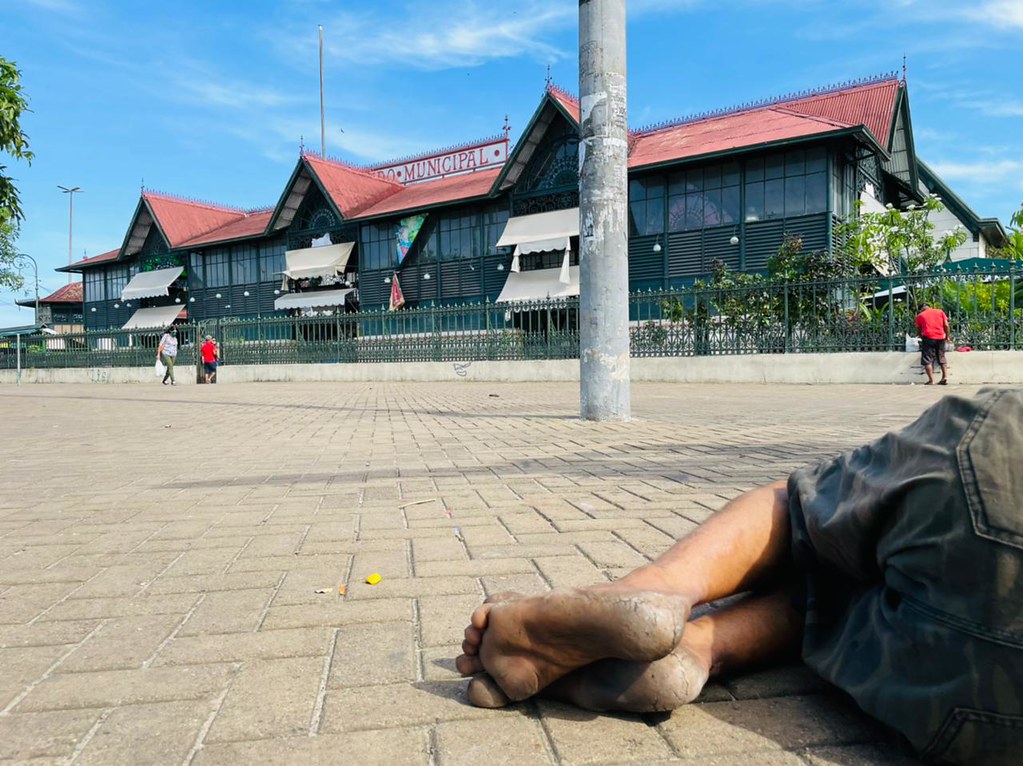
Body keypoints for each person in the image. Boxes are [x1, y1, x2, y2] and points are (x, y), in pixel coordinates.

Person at [457, 388, 1022, 765]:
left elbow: (802, 510)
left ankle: (654, 591)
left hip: (998, 488)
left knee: (809, 512)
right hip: (993, 716)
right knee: (858, 606)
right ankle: (705, 645)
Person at [915, 302, 951, 385]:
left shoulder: (920, 316)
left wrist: (921, 336)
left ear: (921, 309)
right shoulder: (940, 311)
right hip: (940, 337)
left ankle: (931, 380)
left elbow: (919, 330)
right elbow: (946, 325)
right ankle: (945, 377)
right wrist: (947, 336)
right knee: (941, 356)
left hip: (928, 338)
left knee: (927, 359)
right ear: (929, 307)